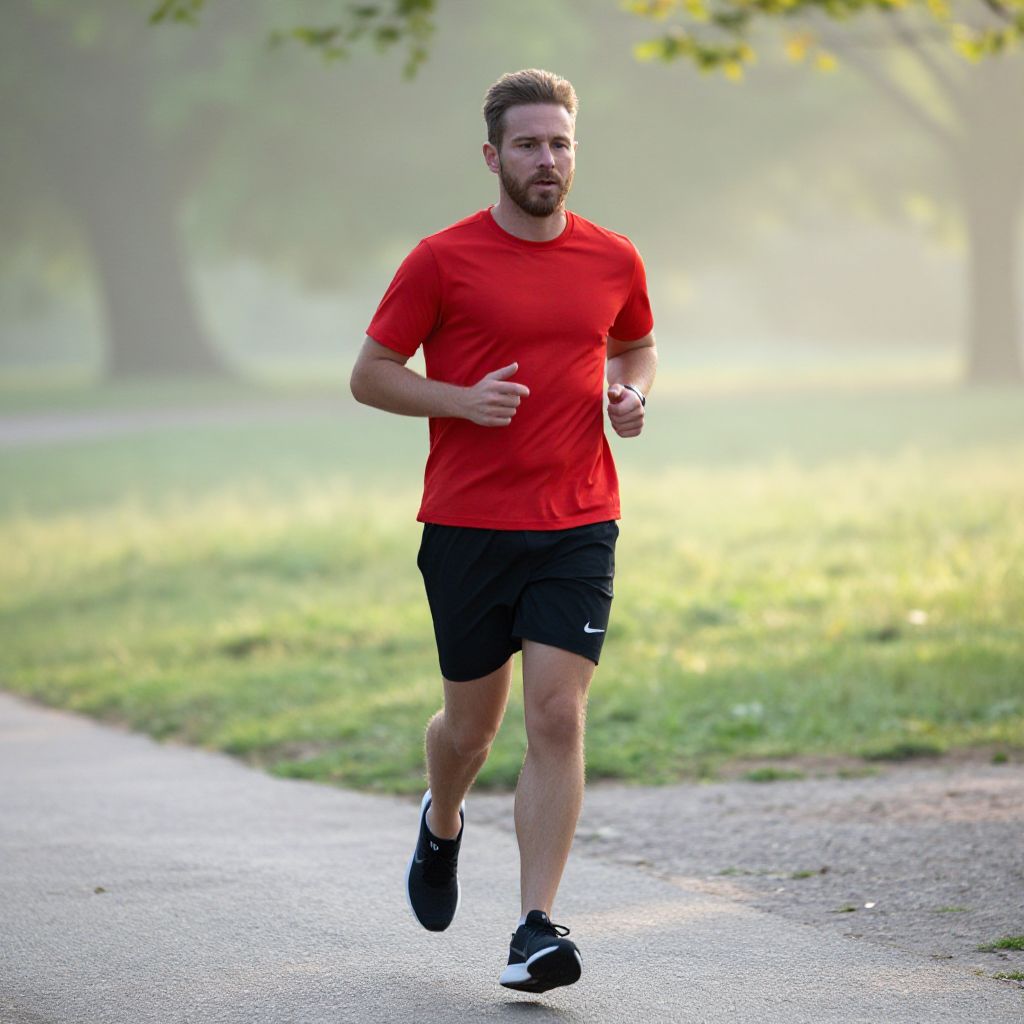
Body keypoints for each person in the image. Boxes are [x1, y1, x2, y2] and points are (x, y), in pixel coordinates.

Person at [350, 67, 657, 994]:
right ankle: (442, 820)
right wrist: (459, 400)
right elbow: (371, 372)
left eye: (559, 143)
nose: (546, 159)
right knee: (470, 730)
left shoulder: (614, 256)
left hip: (578, 521)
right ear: (493, 156)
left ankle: (534, 928)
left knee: (557, 715)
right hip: (468, 526)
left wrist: (630, 393)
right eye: (527, 144)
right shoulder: (441, 260)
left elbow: (635, 343)